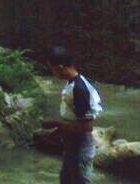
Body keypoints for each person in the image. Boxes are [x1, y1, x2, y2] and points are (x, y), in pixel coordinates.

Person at [43, 46, 103, 184]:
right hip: (72, 144)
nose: (52, 72)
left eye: (51, 68)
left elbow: (86, 127)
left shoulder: (79, 89)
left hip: (80, 145)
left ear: (60, 67)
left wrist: (55, 124)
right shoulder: (74, 83)